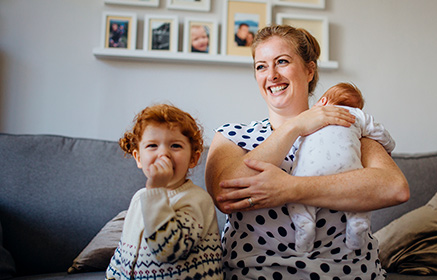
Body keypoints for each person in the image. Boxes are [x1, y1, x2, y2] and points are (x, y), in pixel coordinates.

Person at [206, 24, 409, 279]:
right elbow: (225, 194)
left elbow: (394, 188)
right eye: (261, 66)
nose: (272, 75)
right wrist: (296, 125)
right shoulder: (232, 136)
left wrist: (290, 188)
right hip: (257, 273)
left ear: (309, 70)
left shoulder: (344, 124)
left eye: (282, 62)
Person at [106, 104, 222, 280]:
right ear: (138, 158)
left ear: (193, 158)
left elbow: (168, 250)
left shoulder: (197, 200)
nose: (163, 154)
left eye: (175, 146)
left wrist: (156, 190)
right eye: (152, 145)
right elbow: (124, 251)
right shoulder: (139, 199)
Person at [289, 82, 395, 253]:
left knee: (296, 199)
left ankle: (305, 227)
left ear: (322, 101)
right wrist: (388, 147)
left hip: (308, 171)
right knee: (359, 193)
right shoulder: (357, 115)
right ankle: (357, 223)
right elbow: (380, 132)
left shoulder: (309, 117)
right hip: (347, 169)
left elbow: (293, 142)